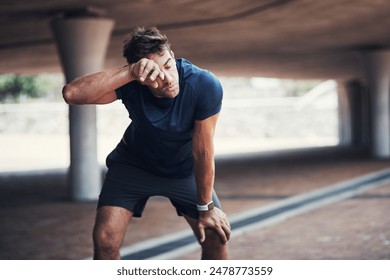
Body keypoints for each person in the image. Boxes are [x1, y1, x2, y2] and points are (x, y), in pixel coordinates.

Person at [62, 26, 230, 260]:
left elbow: (202, 151)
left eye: (169, 66)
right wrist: (130, 72)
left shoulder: (204, 84)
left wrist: (206, 208)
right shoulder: (132, 83)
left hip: (183, 170)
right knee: (105, 242)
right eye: (156, 75)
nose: (168, 79)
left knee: (215, 238)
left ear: (172, 55)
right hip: (133, 165)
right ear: (141, 78)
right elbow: (72, 94)